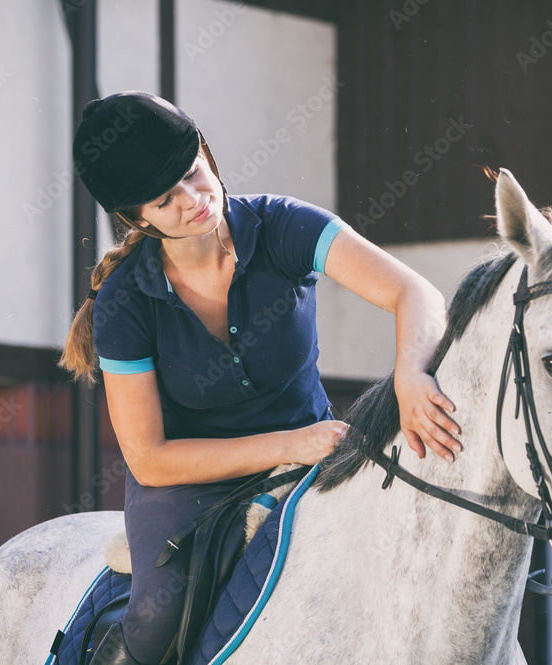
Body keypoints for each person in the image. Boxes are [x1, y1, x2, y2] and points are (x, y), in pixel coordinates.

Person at [60, 91, 461, 665]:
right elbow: (149, 458)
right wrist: (289, 445)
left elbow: (413, 292)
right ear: (138, 217)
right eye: (165, 199)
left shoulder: (282, 226)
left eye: (194, 174)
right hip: (188, 482)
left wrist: (411, 375)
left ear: (206, 153)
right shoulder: (123, 303)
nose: (194, 200)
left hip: (319, 451)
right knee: (153, 620)